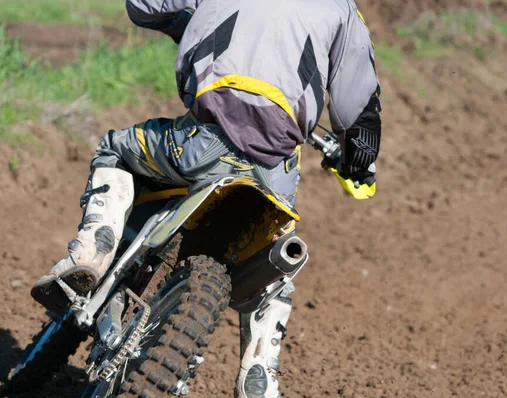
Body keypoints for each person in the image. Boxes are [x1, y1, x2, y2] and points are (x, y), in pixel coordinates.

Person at [30, 0, 381, 396]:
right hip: (275, 166)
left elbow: (144, 5)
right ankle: (260, 372)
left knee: (115, 149)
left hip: (204, 141)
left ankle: (91, 253)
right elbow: (359, 101)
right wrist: (359, 167)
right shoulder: (342, 10)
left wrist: (190, 24)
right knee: (271, 263)